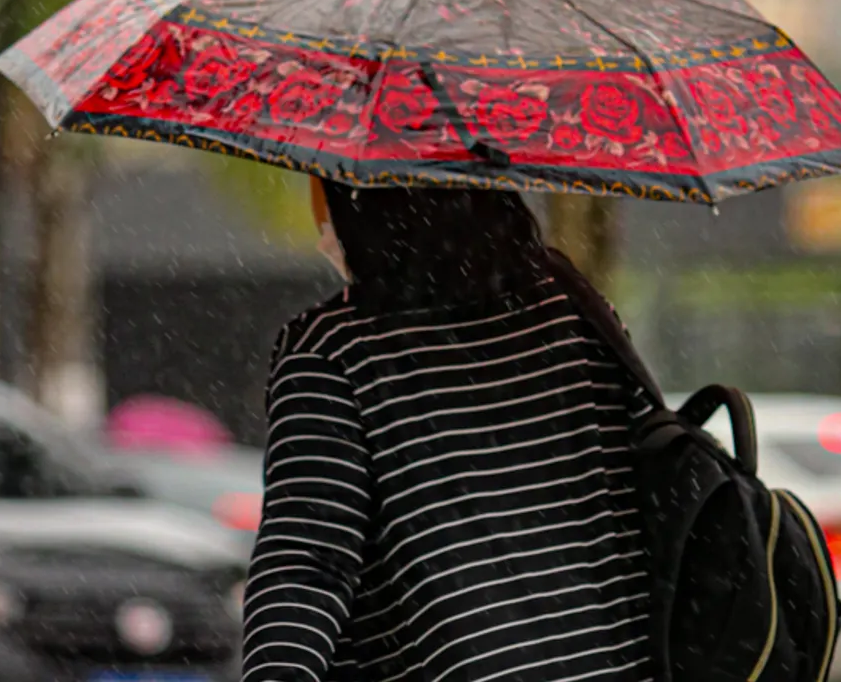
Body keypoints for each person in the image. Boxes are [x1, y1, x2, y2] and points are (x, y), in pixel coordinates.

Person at [242, 179, 654, 682]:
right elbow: (636, 501)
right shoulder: (577, 310)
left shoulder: (334, 353)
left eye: (320, 178)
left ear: (359, 197)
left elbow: (307, 569)